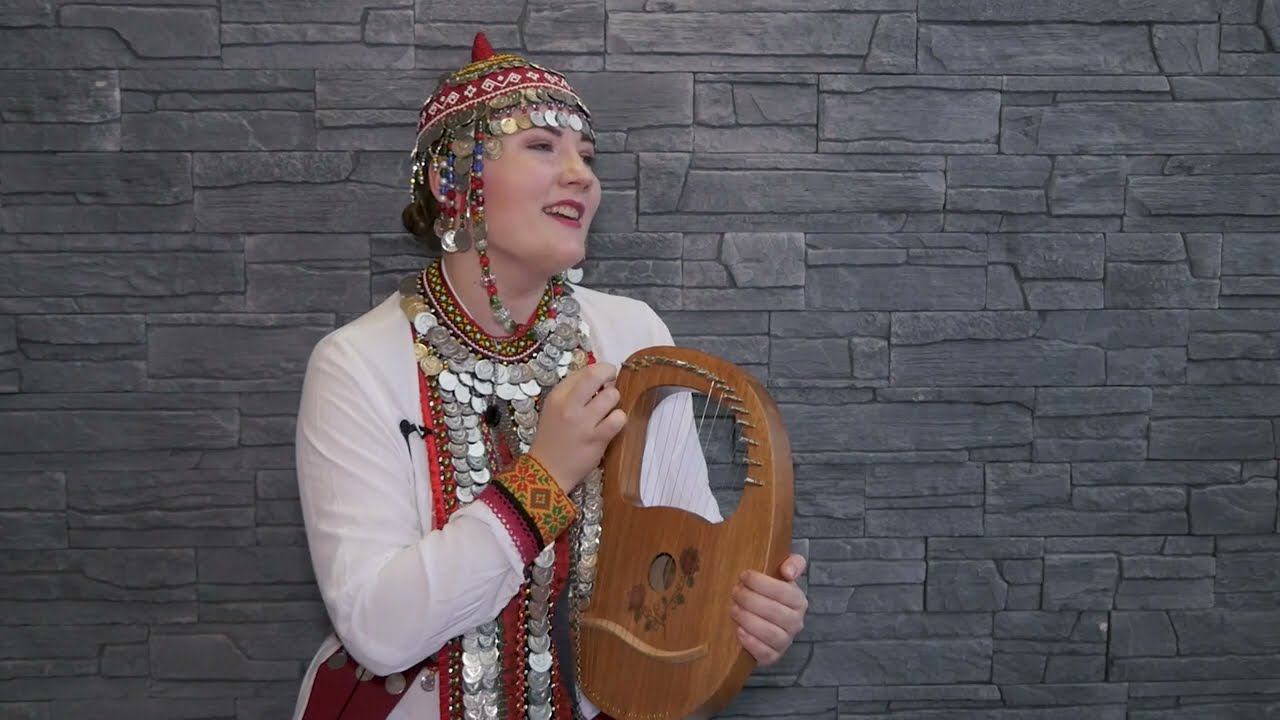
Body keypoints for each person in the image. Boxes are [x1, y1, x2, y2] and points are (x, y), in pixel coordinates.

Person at [291, 33, 808, 720]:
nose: (581, 176)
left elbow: (688, 557)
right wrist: (544, 477)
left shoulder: (632, 336)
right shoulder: (356, 364)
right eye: (541, 146)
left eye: (586, 156)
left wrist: (742, 611)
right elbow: (378, 631)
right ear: (451, 179)